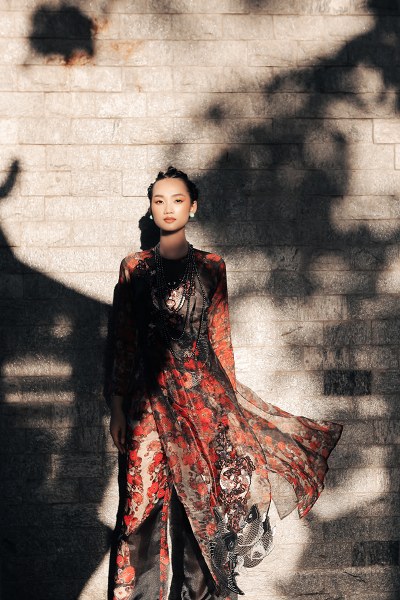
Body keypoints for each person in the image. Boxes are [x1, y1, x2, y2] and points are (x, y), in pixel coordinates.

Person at [109, 166, 342, 600]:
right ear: (151, 209)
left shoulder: (212, 267)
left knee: (205, 510)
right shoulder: (134, 268)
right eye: (159, 200)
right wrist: (119, 407)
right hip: (147, 406)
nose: (168, 208)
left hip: (204, 404)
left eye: (177, 199)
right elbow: (124, 342)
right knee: (140, 509)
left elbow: (220, 341)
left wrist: (230, 414)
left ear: (192, 207)